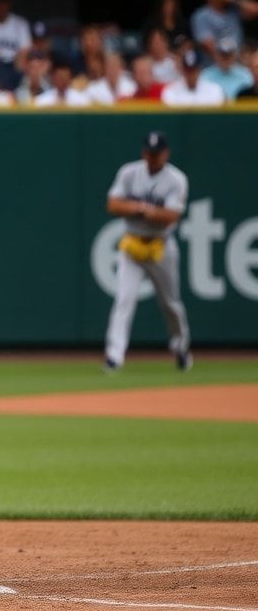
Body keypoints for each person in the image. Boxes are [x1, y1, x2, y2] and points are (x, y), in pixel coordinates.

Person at [103, 130, 192, 372]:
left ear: (166, 154)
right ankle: (114, 355)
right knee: (124, 299)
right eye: (149, 153)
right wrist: (145, 209)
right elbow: (112, 204)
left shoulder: (176, 179)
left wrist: (140, 210)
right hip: (132, 244)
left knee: (170, 303)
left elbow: (171, 216)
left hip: (160, 246)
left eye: (157, 153)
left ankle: (180, 346)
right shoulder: (130, 172)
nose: (153, 157)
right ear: (144, 152)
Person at [189, 0, 258, 62]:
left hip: (238, 65)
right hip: (215, 67)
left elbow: (255, 10)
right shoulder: (201, 15)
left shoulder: (233, 10)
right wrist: (230, 61)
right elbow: (208, 46)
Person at [161, 45, 226, 107]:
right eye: (188, 70)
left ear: (199, 70)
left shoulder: (214, 90)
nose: (191, 74)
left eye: (194, 70)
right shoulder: (171, 91)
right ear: (183, 70)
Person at [200, 37, 254, 101]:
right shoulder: (205, 75)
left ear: (234, 55)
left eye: (228, 55)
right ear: (216, 55)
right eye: (222, 55)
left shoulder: (246, 74)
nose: (225, 58)